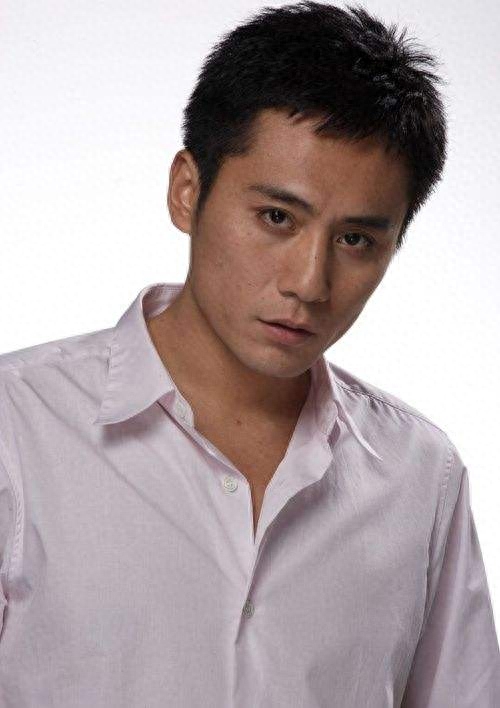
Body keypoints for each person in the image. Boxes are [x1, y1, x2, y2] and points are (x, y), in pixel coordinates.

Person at [0, 1, 498, 705]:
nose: (309, 283)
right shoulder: (16, 431)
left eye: (356, 240)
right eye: (276, 217)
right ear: (187, 191)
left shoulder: (421, 476)